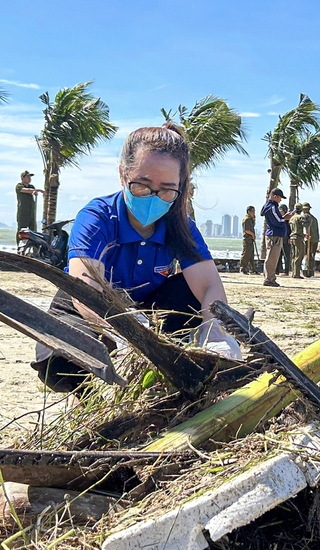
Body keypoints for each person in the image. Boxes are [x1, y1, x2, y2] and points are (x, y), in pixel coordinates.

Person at [31, 123, 242, 392]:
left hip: (149, 308)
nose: (154, 197)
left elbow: (209, 284)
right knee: (59, 361)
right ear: (123, 175)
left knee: (191, 293)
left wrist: (216, 331)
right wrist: (126, 334)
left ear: (180, 186)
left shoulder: (180, 225)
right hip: (90, 309)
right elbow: (85, 290)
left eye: (167, 189)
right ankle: (84, 393)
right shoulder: (97, 218)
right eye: (142, 185)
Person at [261, 189, 292, 286]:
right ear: (274, 196)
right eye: (279, 198)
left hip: (273, 234)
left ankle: (270, 278)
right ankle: (269, 279)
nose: (280, 200)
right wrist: (286, 218)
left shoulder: (268, 206)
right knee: (271, 258)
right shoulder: (272, 207)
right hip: (274, 235)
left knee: (272, 258)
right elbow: (278, 221)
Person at [289, 202, 308, 279]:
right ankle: (296, 273)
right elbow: (306, 225)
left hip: (292, 237)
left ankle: (293, 272)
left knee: (294, 256)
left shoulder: (292, 218)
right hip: (298, 238)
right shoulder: (300, 217)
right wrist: (308, 219)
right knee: (299, 255)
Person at [303, 203, 320, 277]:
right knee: (311, 255)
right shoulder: (314, 218)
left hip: (309, 239)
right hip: (315, 239)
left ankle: (308, 269)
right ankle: (311, 270)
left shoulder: (305, 217)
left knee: (308, 255)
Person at [240, 206, 258, 274]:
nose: (254, 213)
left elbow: (252, 226)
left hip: (250, 240)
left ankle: (252, 269)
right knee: (246, 254)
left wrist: (254, 219)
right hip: (247, 239)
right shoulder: (246, 219)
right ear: (249, 212)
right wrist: (252, 234)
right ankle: (242, 268)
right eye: (252, 211)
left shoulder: (250, 219)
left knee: (251, 255)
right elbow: (246, 230)